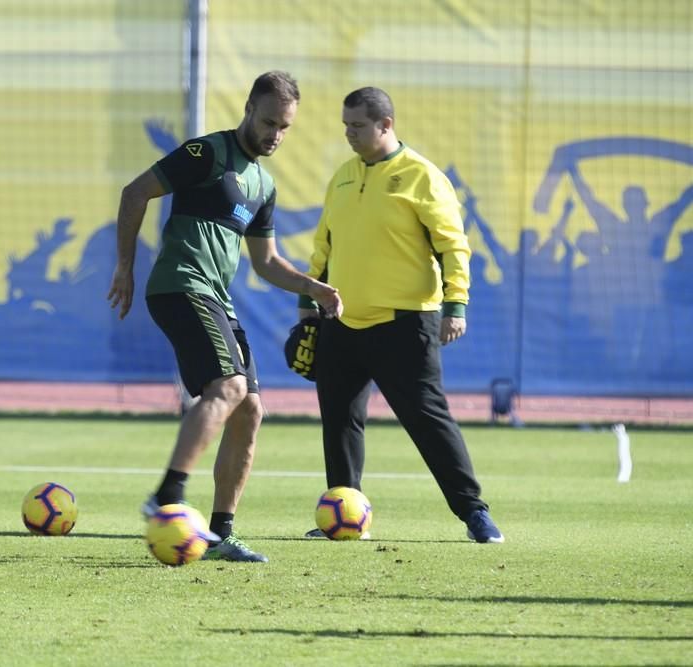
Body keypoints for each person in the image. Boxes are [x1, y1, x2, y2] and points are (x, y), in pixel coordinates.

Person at [108, 71, 342, 562]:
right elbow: (134, 193)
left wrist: (312, 286)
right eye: (268, 121)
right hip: (180, 285)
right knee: (229, 388)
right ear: (248, 109)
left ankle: (220, 534)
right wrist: (126, 267)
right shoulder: (207, 154)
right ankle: (168, 496)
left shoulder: (263, 184)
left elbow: (266, 263)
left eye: (284, 127)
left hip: (217, 297)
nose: (275, 134)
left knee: (251, 409)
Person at [298, 87, 503, 543]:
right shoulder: (344, 176)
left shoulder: (422, 176)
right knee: (340, 420)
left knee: (428, 420)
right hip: (342, 320)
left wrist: (456, 305)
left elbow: (453, 245)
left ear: (385, 125)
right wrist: (309, 305)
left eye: (357, 125)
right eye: (345, 125)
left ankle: (475, 513)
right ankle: (342, 513)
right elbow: (324, 245)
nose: (349, 133)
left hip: (405, 322)